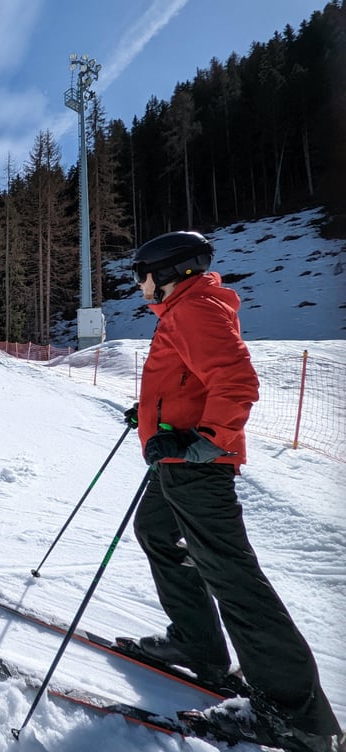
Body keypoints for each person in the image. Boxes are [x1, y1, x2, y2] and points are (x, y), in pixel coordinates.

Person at [126, 231, 342, 752]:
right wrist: (153, 417)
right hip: (177, 458)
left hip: (197, 464)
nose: (139, 286)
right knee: (156, 530)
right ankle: (198, 645)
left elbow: (236, 381)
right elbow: (189, 381)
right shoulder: (185, 307)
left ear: (170, 272)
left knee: (232, 575)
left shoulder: (194, 309)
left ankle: (296, 715)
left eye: (143, 275)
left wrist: (206, 442)